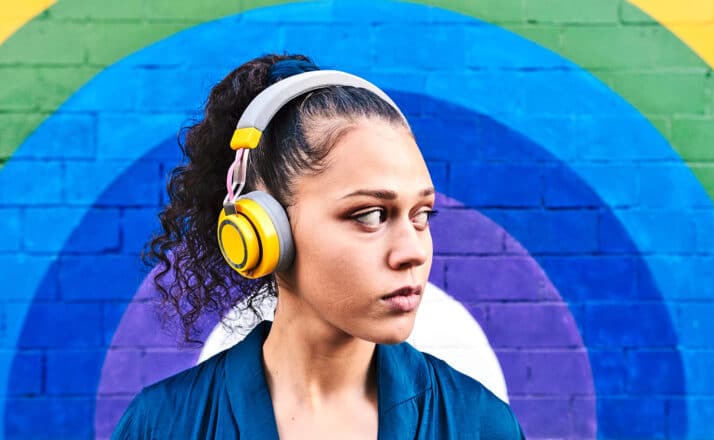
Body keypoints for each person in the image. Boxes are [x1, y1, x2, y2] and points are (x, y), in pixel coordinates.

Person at [112, 53, 526, 439]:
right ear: (262, 230)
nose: (413, 252)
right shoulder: (163, 425)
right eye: (370, 215)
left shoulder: (480, 423)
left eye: (422, 215)